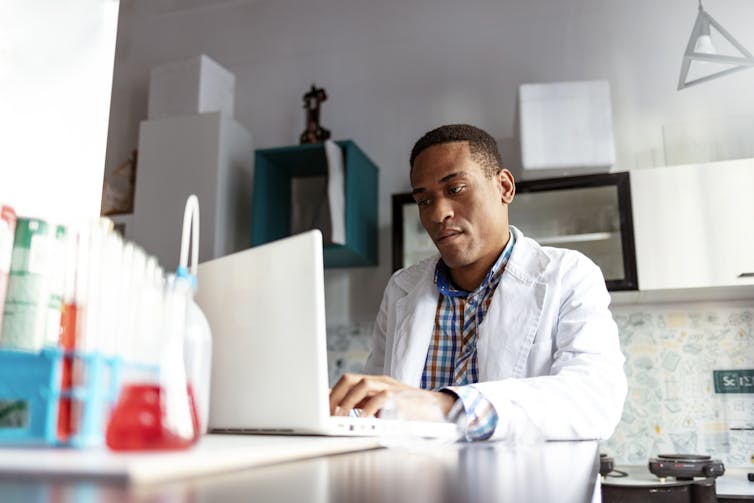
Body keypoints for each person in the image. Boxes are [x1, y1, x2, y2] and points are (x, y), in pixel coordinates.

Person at [329, 124, 627, 441]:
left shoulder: (570, 274)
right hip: (414, 482)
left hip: (521, 485)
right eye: (424, 201)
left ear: (504, 187)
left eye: (455, 189)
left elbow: (594, 398)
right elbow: (376, 407)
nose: (438, 213)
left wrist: (444, 406)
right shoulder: (401, 288)